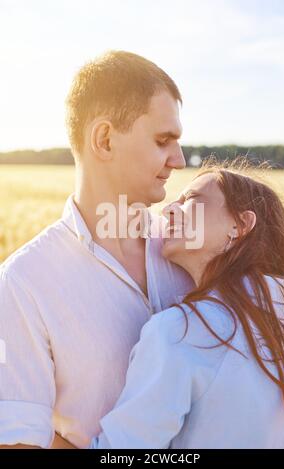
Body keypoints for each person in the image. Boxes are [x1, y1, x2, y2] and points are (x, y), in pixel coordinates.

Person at [0, 51, 194, 449]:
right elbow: (20, 442)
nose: (179, 159)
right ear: (104, 139)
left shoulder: (197, 251)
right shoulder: (23, 284)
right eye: (163, 141)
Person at [91, 159, 284, 449]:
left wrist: (51, 437)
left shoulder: (180, 332)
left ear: (240, 224)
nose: (168, 210)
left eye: (191, 199)